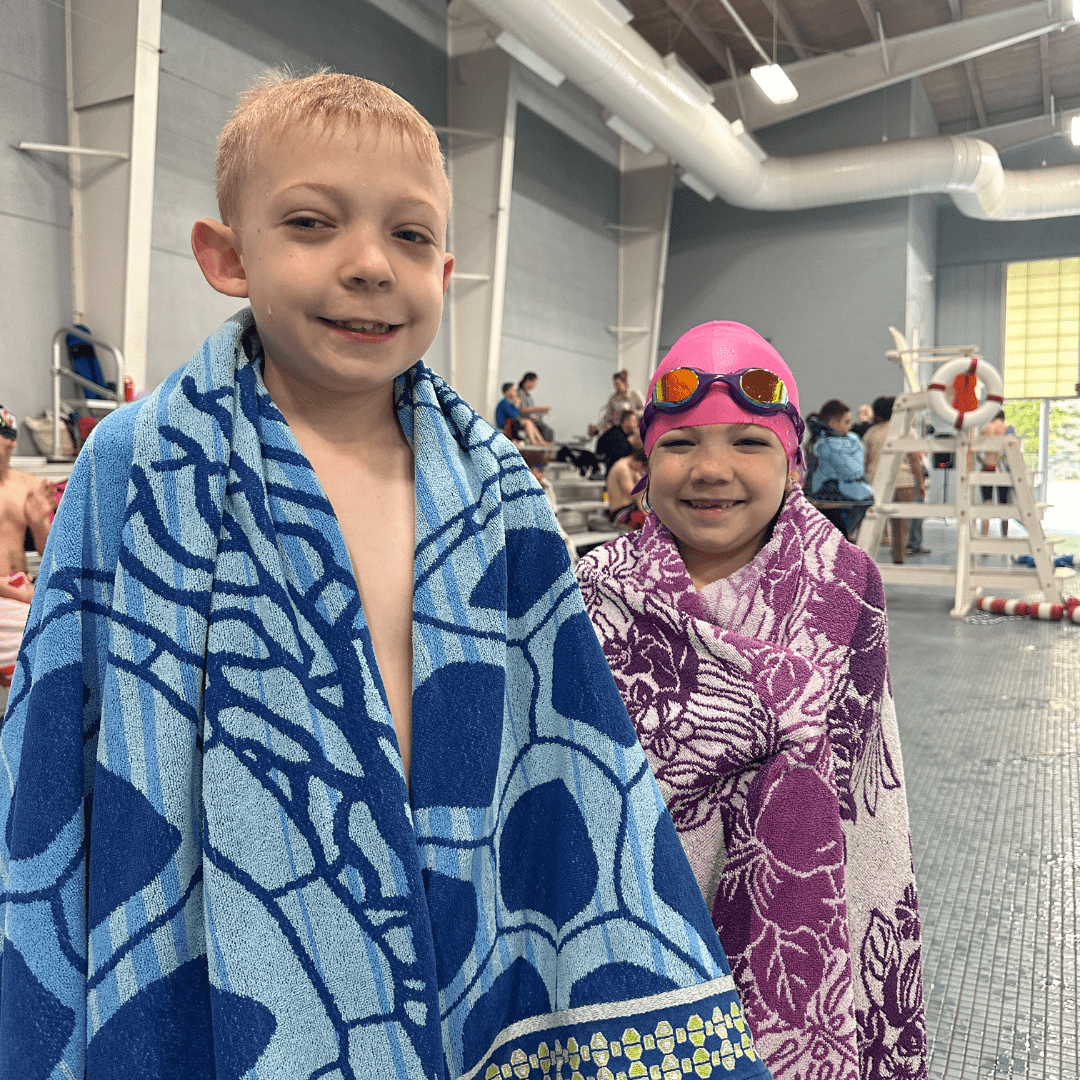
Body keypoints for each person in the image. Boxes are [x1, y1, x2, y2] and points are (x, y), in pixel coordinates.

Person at [0, 73, 771, 1080]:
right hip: (212, 933)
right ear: (226, 256)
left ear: (446, 270)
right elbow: (59, 733)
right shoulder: (138, 460)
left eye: (410, 238)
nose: (370, 265)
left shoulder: (496, 484)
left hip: (455, 929)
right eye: (314, 223)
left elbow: (568, 739)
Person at [577, 322, 927, 1080]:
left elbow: (868, 794)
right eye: (680, 445)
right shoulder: (592, 591)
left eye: (748, 442)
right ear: (645, 459)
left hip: (796, 934)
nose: (711, 469)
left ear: (792, 460)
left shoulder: (845, 584)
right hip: (632, 928)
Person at [0, 408, 55, 691]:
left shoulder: (29, 487)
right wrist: (21, 595)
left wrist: (38, 523)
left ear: (9, 441)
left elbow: (50, 554)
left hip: (21, 590)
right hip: (14, 596)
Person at [863, 395, 926, 563]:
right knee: (901, 523)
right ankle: (899, 557)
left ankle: (868, 557)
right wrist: (921, 482)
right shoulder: (908, 432)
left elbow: (866, 461)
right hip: (904, 481)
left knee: (875, 521)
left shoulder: (871, 433)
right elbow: (915, 460)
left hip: (877, 482)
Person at [802, 398, 874, 539]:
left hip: (824, 501)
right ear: (833, 423)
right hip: (832, 503)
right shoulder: (829, 445)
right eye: (846, 422)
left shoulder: (816, 441)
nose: (849, 427)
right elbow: (852, 470)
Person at [973, 410, 1011, 537]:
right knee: (1004, 505)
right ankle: (1004, 536)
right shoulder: (1008, 429)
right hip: (1002, 470)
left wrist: (982, 459)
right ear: (1003, 418)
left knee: (987, 503)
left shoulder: (986, 428)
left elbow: (974, 448)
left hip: (988, 466)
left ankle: (984, 535)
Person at [589, 368, 644, 437]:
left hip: (631, 430)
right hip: (618, 428)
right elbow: (607, 416)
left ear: (624, 383)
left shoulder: (634, 394)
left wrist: (634, 413)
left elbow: (645, 410)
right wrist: (598, 427)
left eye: (618, 384)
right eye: (614, 385)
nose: (616, 387)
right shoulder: (613, 398)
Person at [495, 381, 551, 446]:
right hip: (505, 424)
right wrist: (516, 405)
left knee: (530, 422)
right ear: (507, 391)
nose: (515, 393)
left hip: (511, 423)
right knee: (527, 422)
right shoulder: (504, 402)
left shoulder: (508, 402)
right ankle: (533, 441)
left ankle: (540, 441)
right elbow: (514, 415)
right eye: (513, 390)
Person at [605, 446, 647, 528]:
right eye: (642, 469)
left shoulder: (632, 468)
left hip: (631, 509)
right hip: (620, 512)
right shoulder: (622, 468)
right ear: (639, 463)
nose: (641, 471)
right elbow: (634, 494)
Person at [594, 407, 639, 475]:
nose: (636, 424)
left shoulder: (630, 435)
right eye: (634, 421)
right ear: (626, 421)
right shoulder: (615, 435)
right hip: (616, 473)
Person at [516, 371, 554, 442]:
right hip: (522, 419)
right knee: (546, 430)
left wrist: (540, 411)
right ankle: (543, 450)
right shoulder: (520, 393)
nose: (535, 385)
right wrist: (538, 409)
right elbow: (522, 410)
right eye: (534, 383)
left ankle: (545, 448)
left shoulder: (527, 395)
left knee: (548, 429)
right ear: (529, 381)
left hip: (531, 418)